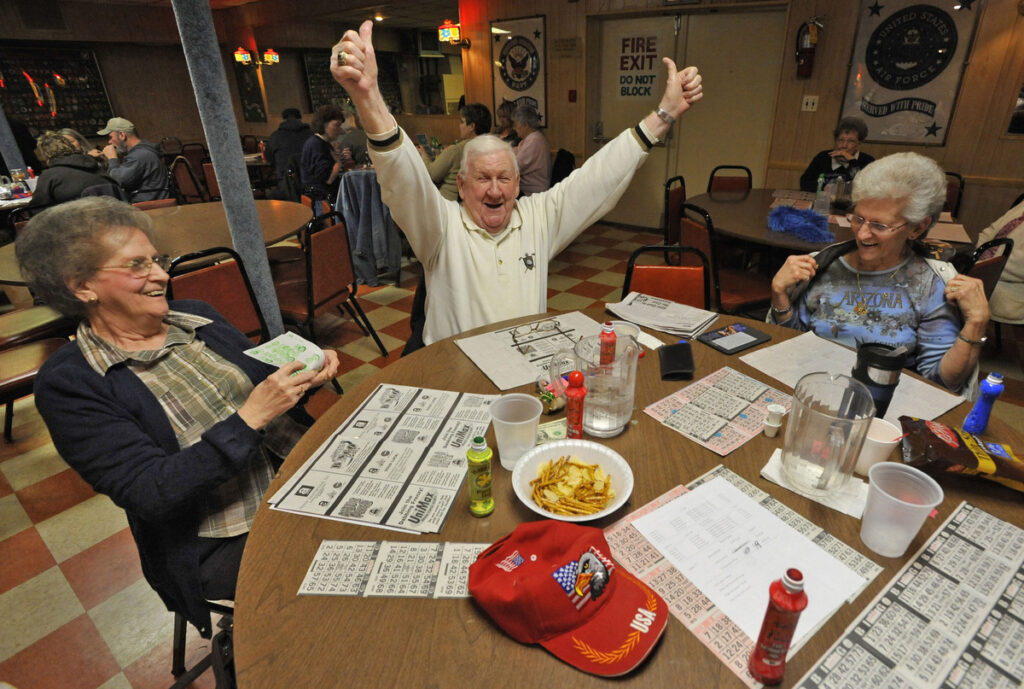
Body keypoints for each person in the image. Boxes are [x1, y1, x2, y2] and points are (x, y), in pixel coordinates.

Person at [15, 197, 340, 638]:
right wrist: (250, 418)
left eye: (157, 259)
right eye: (137, 266)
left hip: (302, 475)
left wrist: (304, 378)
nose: (162, 274)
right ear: (82, 286)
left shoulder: (198, 317)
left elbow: (265, 388)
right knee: (348, 581)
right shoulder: (72, 383)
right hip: (223, 536)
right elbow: (150, 491)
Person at [330, 21, 702, 346]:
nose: (495, 190)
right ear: (461, 186)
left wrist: (663, 117)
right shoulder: (439, 227)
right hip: (456, 377)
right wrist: (368, 97)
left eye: (504, 178)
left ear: (518, 183)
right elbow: (404, 178)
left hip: (522, 376)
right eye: (482, 179)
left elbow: (598, 178)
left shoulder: (538, 219)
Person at [769, 152, 989, 393]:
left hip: (885, 407)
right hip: (813, 389)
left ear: (917, 227)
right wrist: (780, 295)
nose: (862, 234)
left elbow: (940, 384)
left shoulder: (931, 284)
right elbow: (791, 346)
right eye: (858, 218)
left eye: (879, 225)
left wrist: (976, 322)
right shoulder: (822, 265)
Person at [28, 131, 123, 208]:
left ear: (45, 155)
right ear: (71, 147)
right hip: (116, 219)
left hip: (79, 226)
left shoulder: (49, 176)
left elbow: (36, 209)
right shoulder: (96, 166)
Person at [417, 103, 491, 201]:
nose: (459, 125)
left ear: (472, 126)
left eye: (462, 122)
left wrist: (424, 154)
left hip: (449, 203)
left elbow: (432, 174)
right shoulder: (492, 148)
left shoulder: (457, 150)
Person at [93, 117, 170, 202]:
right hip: (151, 201)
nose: (109, 142)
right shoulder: (143, 151)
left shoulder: (140, 155)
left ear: (122, 135)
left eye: (110, 137)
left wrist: (112, 158)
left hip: (148, 207)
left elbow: (117, 181)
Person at [974, 196, 1024, 324]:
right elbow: (989, 231)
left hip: (1012, 290)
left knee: (949, 283)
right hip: (988, 266)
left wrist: (984, 263)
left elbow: (1020, 266)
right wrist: (980, 255)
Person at [799, 116, 875, 193]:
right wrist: (825, 188)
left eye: (851, 141)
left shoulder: (867, 161)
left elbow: (866, 188)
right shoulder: (822, 157)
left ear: (859, 143)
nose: (844, 145)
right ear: (835, 140)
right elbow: (805, 183)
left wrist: (852, 161)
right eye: (841, 140)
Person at [300, 104, 345, 208]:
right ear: (324, 124)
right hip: (321, 201)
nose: (340, 130)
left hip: (322, 196)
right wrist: (338, 163)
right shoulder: (316, 145)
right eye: (337, 125)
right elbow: (328, 179)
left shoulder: (321, 142)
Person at [263, 107, 313, 184]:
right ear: (300, 118)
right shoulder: (311, 134)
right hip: (310, 177)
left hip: (285, 179)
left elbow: (269, 158)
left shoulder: (275, 136)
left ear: (283, 119)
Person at [512, 105, 551, 196]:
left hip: (532, 193)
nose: (514, 128)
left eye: (516, 125)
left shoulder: (534, 140)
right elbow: (514, 151)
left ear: (526, 124)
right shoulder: (531, 138)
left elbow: (516, 165)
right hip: (528, 189)